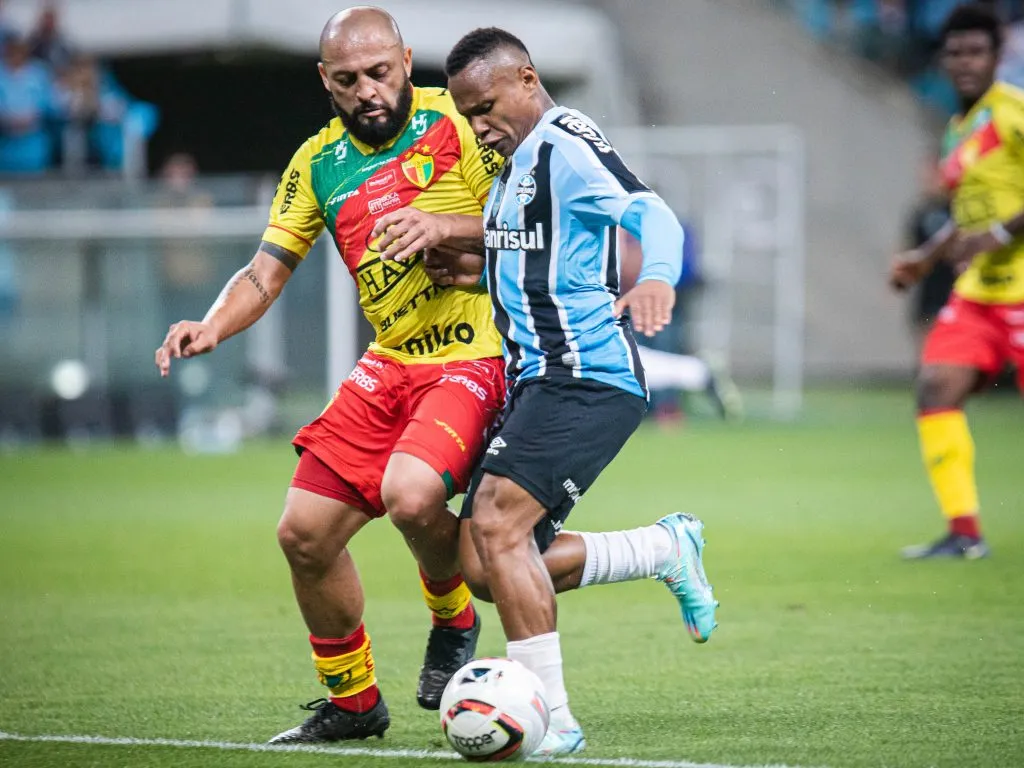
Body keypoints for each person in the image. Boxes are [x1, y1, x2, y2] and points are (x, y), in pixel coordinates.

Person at [155, 6, 509, 743]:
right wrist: (210, 325)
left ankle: (454, 617)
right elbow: (263, 272)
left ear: (407, 61)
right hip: (391, 362)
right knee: (304, 534)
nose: (367, 90)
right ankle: (353, 704)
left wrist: (449, 232)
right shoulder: (316, 163)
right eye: (347, 80)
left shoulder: (459, 122)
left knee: (411, 496)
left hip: (474, 352)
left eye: (380, 72)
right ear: (326, 81)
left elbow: (527, 220)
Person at [419, 27, 719, 757]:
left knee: (495, 526)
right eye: (468, 113)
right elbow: (529, 251)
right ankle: (662, 548)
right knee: (482, 566)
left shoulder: (566, 141)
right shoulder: (515, 163)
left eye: (486, 105)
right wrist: (464, 267)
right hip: (541, 379)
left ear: (526, 78)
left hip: (587, 374)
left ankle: (551, 716)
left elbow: (650, 213)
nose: (479, 124)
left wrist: (655, 276)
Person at [889, 4, 1024, 560]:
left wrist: (999, 232)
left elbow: (988, 224)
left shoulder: (1012, 112)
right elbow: (964, 215)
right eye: (955, 53)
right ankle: (965, 534)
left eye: (976, 52)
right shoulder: (958, 129)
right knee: (936, 387)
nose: (964, 63)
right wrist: (924, 257)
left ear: (997, 56)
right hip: (979, 295)